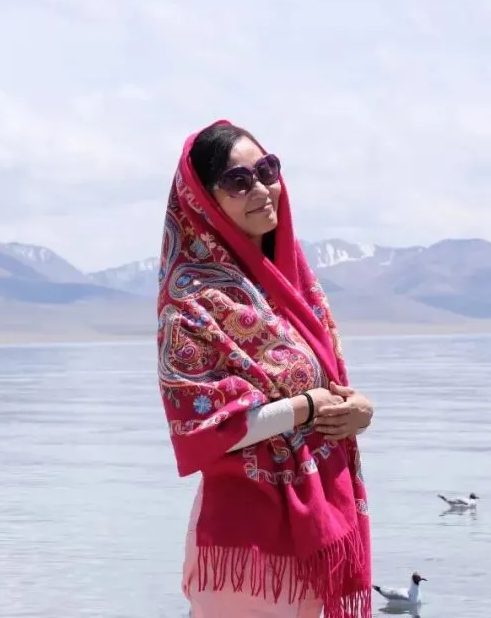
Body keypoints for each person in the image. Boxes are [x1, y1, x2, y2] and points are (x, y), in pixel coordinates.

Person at [156, 119, 375, 618]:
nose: (260, 188)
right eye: (238, 181)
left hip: (315, 533)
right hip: (248, 545)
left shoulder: (292, 288)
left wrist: (359, 410)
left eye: (267, 170)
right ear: (204, 201)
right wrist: (306, 408)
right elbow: (203, 432)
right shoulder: (191, 302)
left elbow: (325, 386)